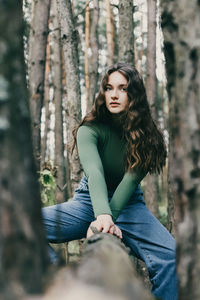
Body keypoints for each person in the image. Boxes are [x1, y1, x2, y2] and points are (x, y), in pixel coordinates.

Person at [42, 62, 178, 300]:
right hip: (87, 202)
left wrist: (107, 217)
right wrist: (101, 215)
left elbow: (130, 181)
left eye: (123, 88)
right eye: (109, 88)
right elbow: (94, 172)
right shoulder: (90, 129)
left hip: (129, 205)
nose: (114, 95)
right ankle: (56, 283)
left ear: (134, 94)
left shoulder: (150, 137)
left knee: (172, 257)